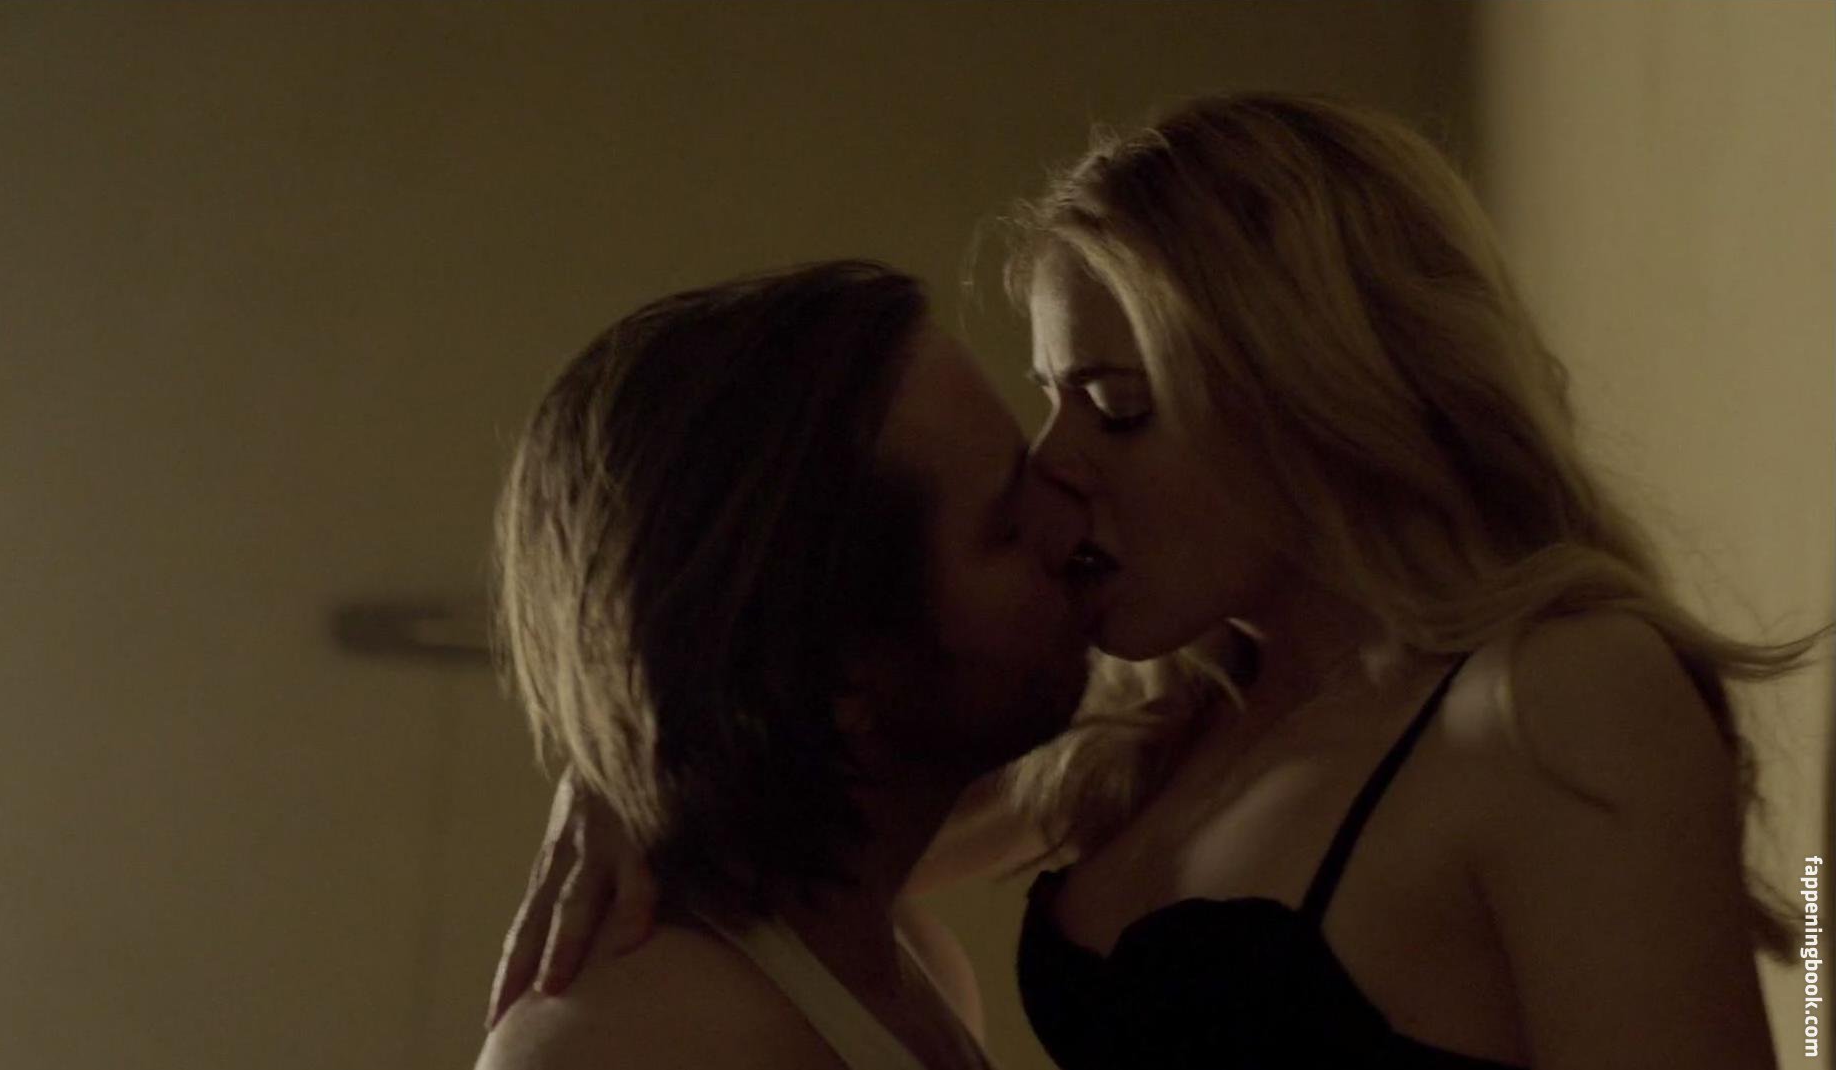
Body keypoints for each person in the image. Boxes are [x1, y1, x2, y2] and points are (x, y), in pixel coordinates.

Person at [488, 94, 1824, 1069]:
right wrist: (626, 765)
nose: (1055, 463)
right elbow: (822, 786)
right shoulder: (1172, 716)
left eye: (1117, 405)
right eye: (1053, 398)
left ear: (1314, 389)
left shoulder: (1555, 696)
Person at [474, 259, 1101, 1070]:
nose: (1075, 531)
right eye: (1007, 528)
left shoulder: (910, 967)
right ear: (837, 672)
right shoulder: (641, 1042)